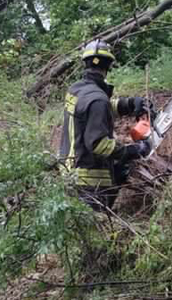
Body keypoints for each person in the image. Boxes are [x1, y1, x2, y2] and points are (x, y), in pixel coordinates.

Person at [59, 40, 155, 210]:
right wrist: (134, 150)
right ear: (109, 65)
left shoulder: (76, 90)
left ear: (85, 63)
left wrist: (130, 104)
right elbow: (99, 145)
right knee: (95, 232)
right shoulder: (98, 99)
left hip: (70, 173)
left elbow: (93, 110)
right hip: (89, 183)